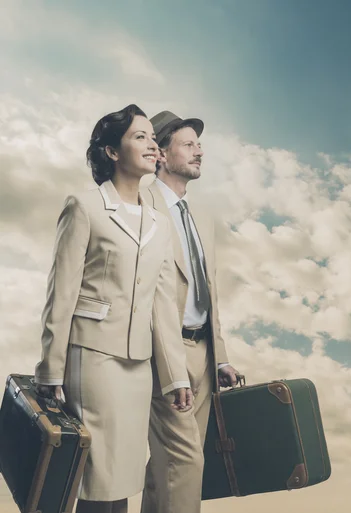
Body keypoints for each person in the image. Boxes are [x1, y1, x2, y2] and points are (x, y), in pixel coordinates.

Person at [34, 104, 193, 513]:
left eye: (151, 138)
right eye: (139, 136)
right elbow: (61, 291)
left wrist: (175, 377)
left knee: (122, 475)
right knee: (95, 476)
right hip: (93, 358)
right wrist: (51, 368)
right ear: (111, 152)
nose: (151, 144)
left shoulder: (159, 221)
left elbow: (162, 303)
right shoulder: (84, 206)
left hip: (138, 365)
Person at [139, 110, 240, 513]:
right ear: (161, 154)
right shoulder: (141, 203)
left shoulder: (200, 215)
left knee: (167, 469)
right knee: (185, 462)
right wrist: (172, 367)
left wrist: (221, 357)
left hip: (202, 353)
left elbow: (207, 290)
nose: (200, 151)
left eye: (199, 145)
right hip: (165, 351)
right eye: (188, 144)